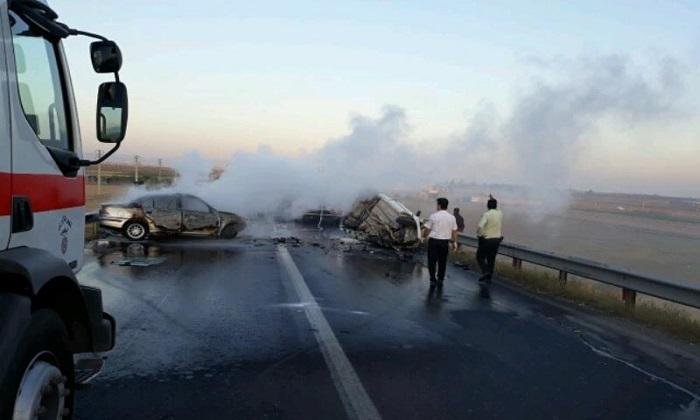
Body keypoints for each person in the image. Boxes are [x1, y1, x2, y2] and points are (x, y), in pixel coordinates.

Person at [422, 197, 458, 286]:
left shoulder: (433, 216)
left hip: (433, 242)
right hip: (445, 242)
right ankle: (440, 278)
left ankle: (433, 279)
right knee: (442, 261)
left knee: (432, 261)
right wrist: (455, 242)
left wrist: (423, 237)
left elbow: (427, 229)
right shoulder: (452, 217)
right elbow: (454, 231)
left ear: (439, 205)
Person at [476, 195, 503, 283]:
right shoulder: (500, 214)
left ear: (487, 206)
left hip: (487, 240)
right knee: (491, 258)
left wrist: (480, 235)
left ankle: (485, 271)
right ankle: (489, 276)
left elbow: (480, 226)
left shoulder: (486, 214)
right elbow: (496, 207)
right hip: (497, 240)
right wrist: (493, 199)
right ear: (496, 206)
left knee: (480, 257)